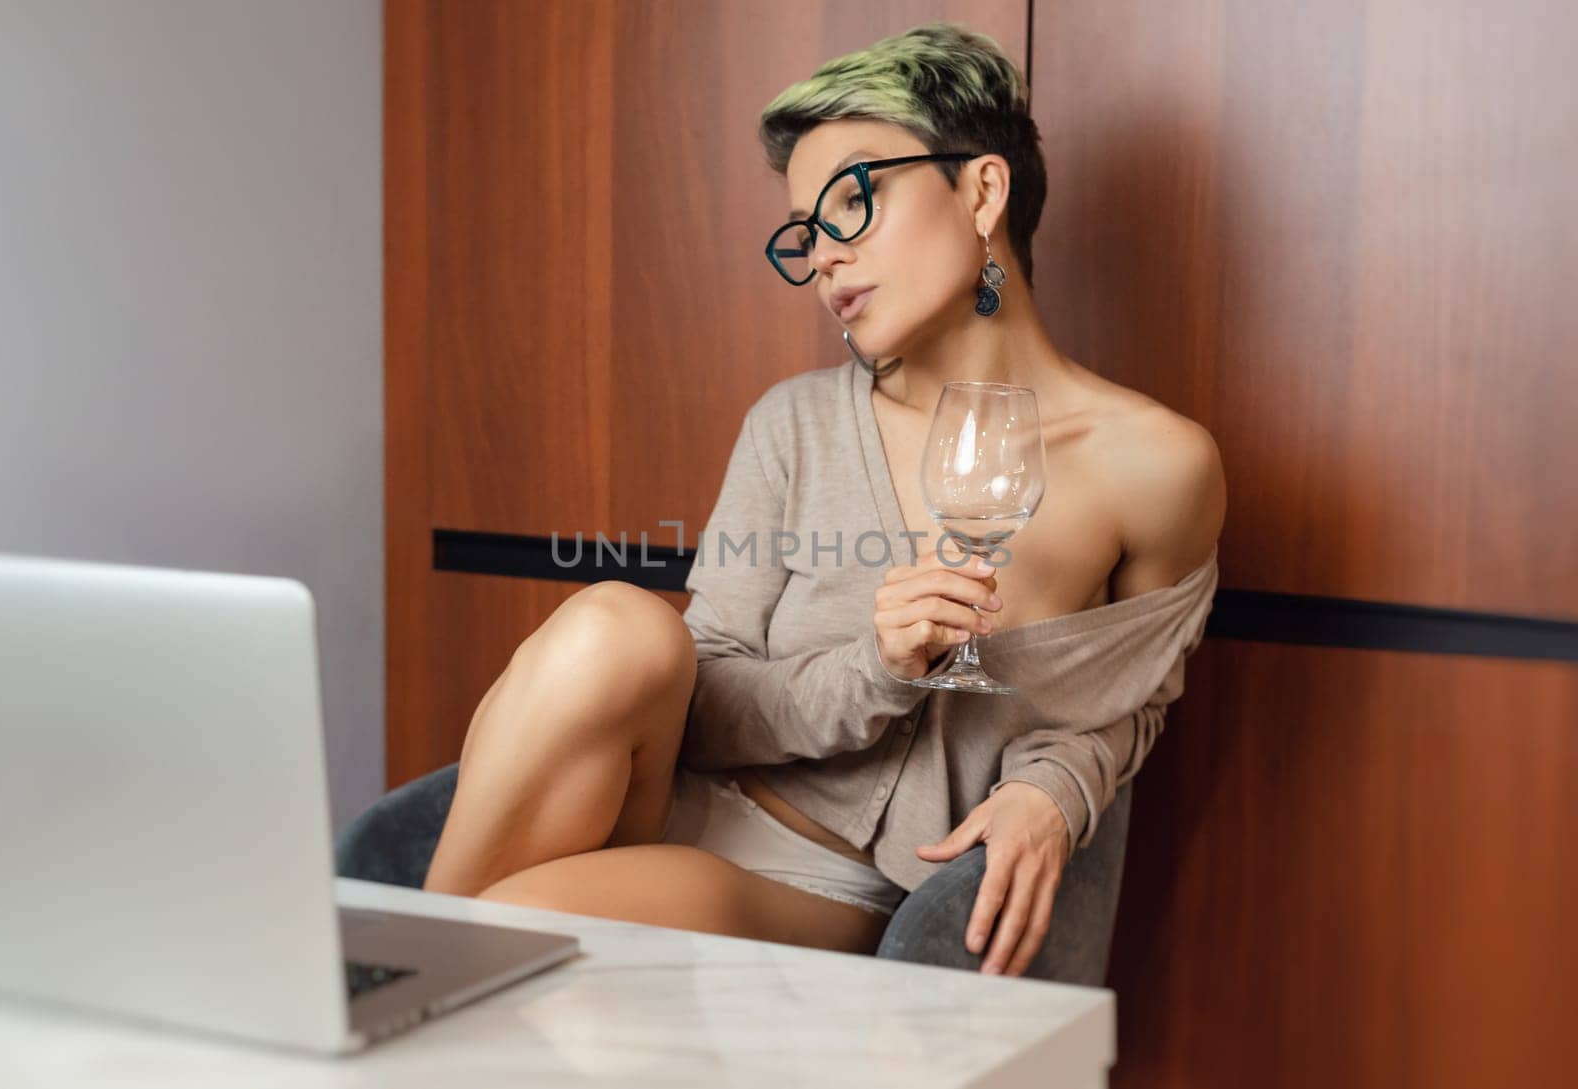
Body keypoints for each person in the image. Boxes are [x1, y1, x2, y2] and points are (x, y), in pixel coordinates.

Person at [423, 23, 1225, 976]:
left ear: (981, 190)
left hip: (818, 882)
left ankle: (387, 986)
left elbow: (1129, 700)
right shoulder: (792, 425)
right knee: (617, 624)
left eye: (852, 203)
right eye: (805, 233)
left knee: (511, 927)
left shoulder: (1157, 467)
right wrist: (877, 669)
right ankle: (392, 981)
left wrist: (1055, 793)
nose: (823, 258)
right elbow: (704, 704)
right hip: (670, 799)